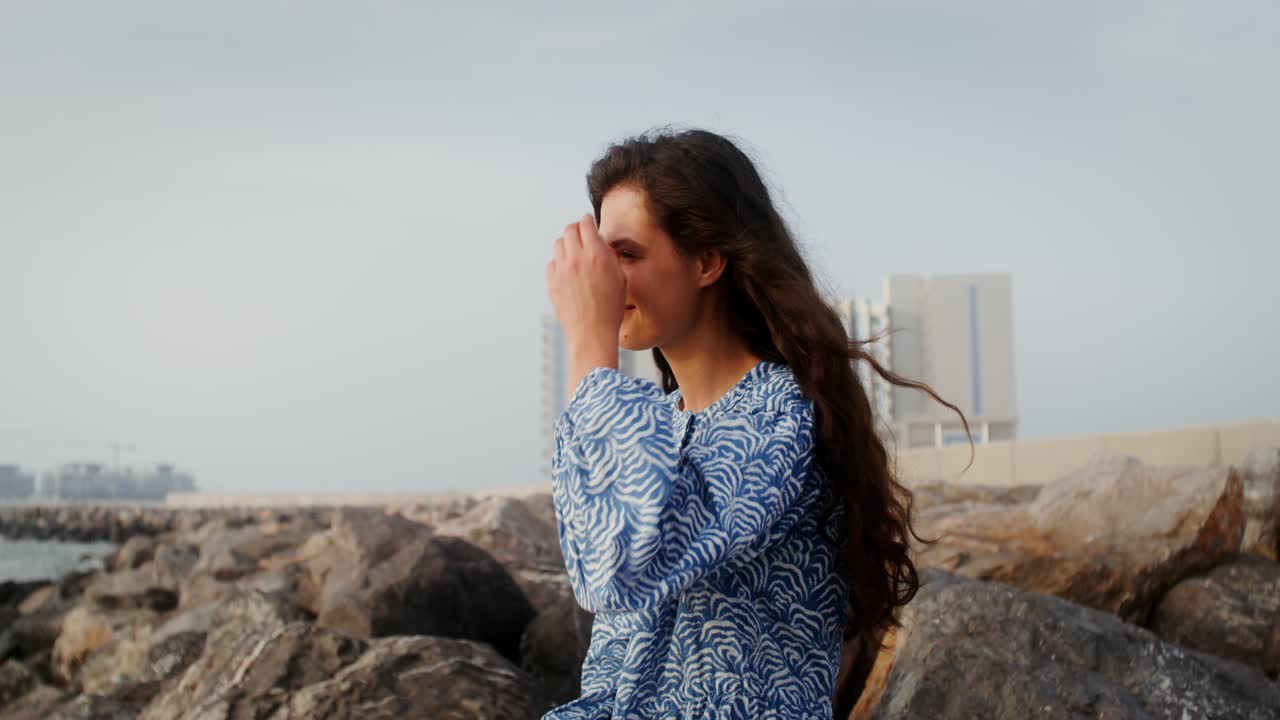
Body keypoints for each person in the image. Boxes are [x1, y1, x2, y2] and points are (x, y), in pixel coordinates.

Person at [543, 127, 965, 719]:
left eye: (628, 255)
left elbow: (619, 570)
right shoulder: (660, 424)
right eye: (601, 258)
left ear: (707, 261)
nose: (608, 280)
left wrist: (589, 351)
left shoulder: (780, 415)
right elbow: (602, 596)